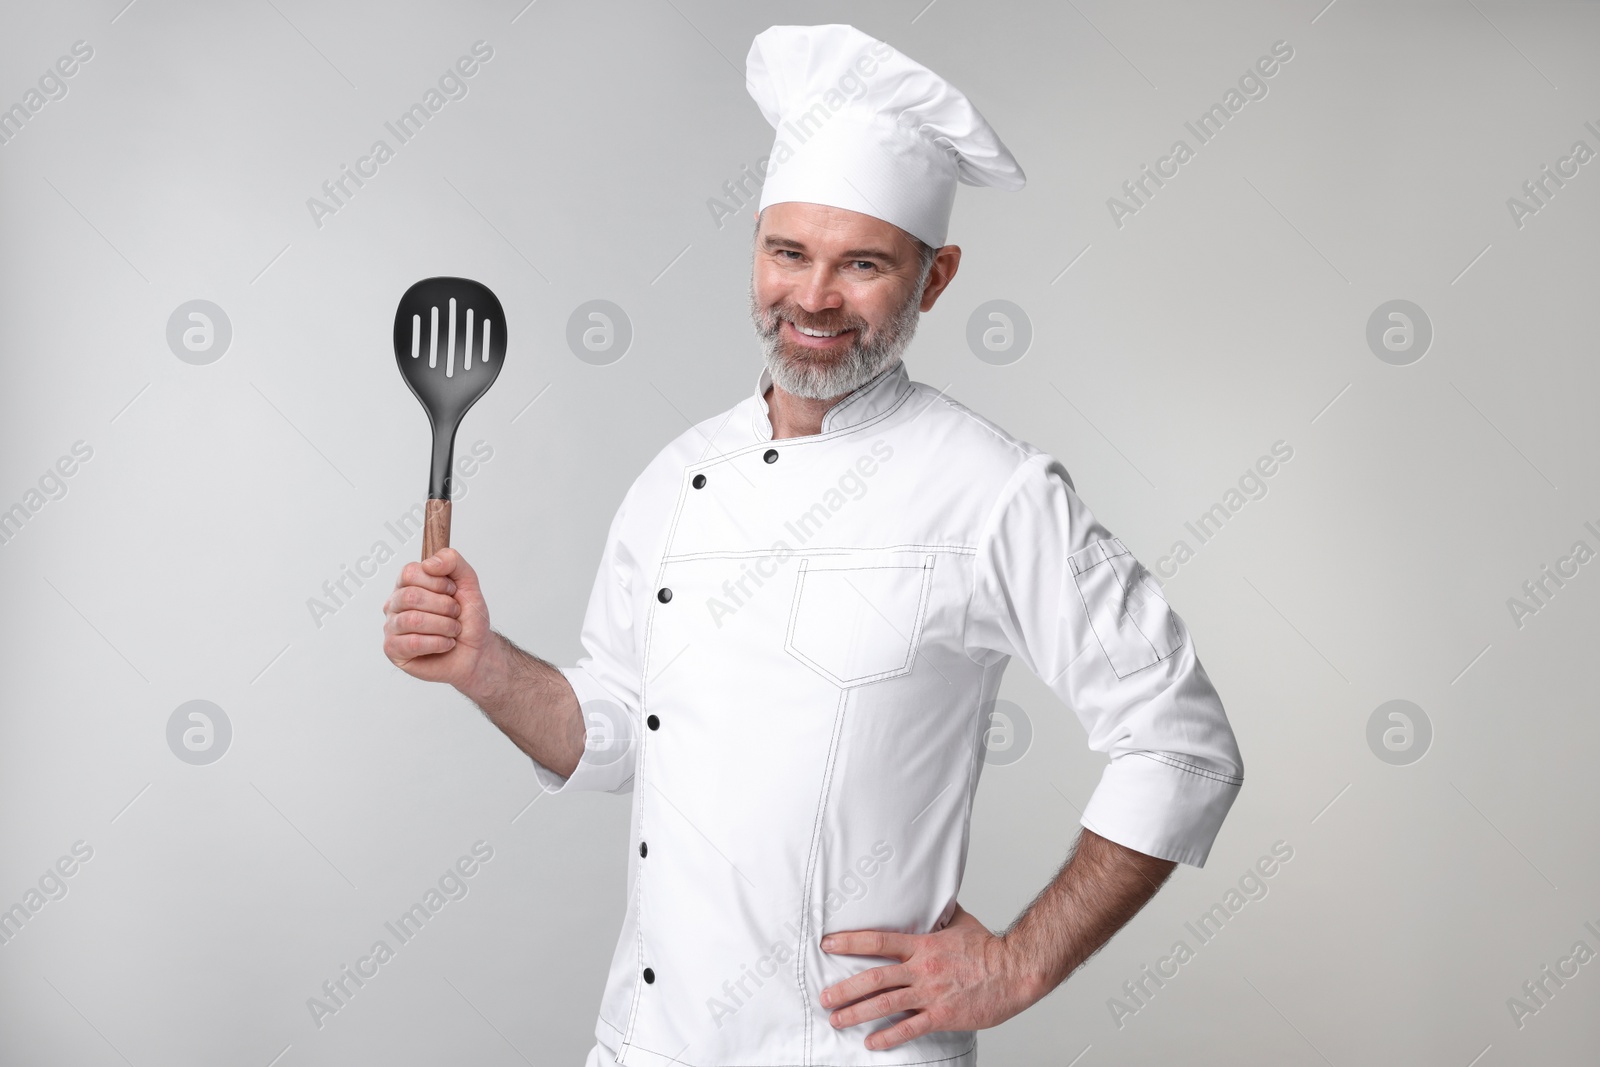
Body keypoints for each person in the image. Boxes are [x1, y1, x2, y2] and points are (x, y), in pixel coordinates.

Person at [382, 24, 1242, 1067]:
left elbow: (1180, 740)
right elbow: (616, 729)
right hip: (647, 1043)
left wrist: (1018, 961)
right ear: (755, 248)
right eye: (788, 252)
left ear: (936, 277)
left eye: (863, 264)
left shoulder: (989, 490)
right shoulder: (675, 477)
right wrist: (486, 666)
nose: (813, 298)